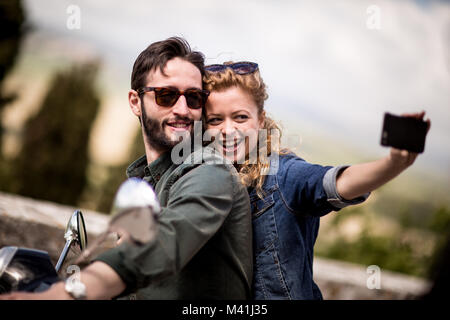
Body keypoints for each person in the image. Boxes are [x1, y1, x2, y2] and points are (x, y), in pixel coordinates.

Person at [0, 38, 253, 300]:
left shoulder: (211, 172)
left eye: (193, 98)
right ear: (135, 102)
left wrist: (62, 294)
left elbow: (162, 243)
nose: (182, 109)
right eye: (166, 95)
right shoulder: (150, 179)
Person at [202, 61, 431, 300]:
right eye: (216, 120)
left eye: (240, 117)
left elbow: (335, 183)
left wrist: (393, 163)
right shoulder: (201, 179)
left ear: (260, 120)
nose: (228, 130)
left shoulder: (284, 175)